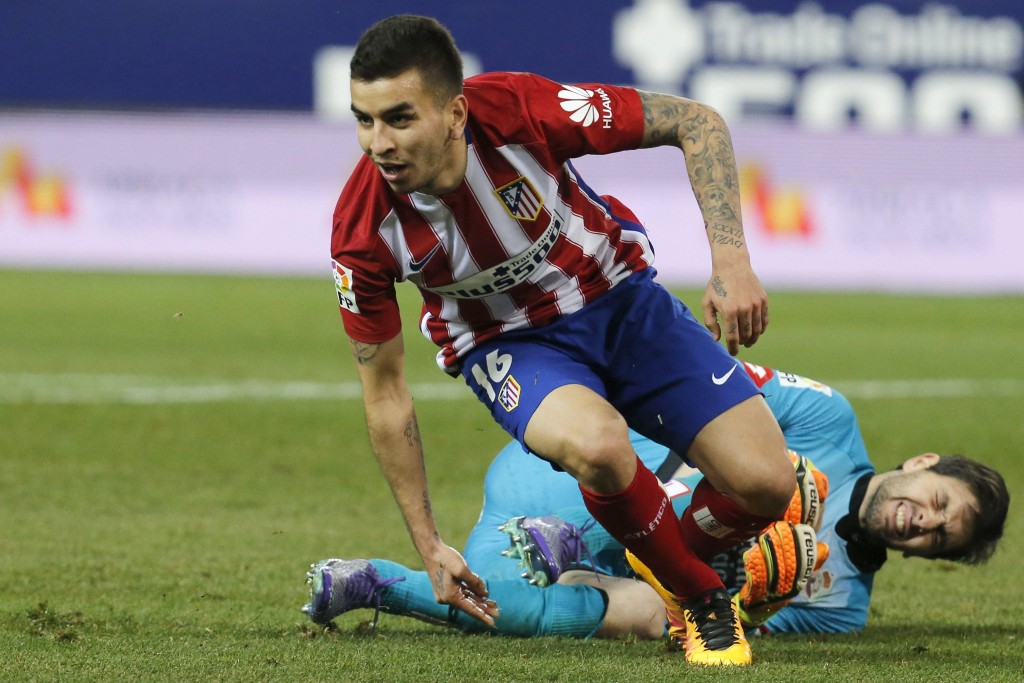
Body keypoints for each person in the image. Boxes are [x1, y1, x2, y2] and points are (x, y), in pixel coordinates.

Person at [332, 14, 798, 666]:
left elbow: (697, 122)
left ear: (456, 113)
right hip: (509, 344)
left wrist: (732, 263)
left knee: (768, 485)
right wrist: (430, 542)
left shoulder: (525, 110)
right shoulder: (362, 234)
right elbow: (385, 397)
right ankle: (699, 598)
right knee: (599, 445)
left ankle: (663, 552)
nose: (377, 143)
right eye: (364, 119)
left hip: (622, 302)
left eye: (399, 119)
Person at [302, 363, 1009, 640]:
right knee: (760, 484)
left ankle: (368, 583)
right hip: (584, 469)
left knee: (514, 610)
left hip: (554, 547)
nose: (927, 521)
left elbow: (708, 628)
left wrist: (749, 592)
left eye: (943, 535)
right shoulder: (829, 419)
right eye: (939, 499)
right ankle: (576, 555)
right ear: (922, 463)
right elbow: (698, 385)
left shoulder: (842, 608)